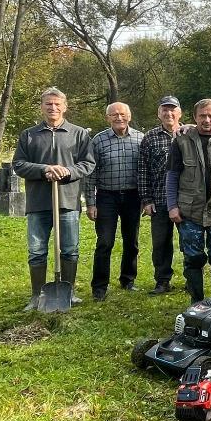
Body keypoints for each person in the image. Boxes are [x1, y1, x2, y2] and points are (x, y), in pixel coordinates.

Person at [12, 87, 96, 310]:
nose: (53, 107)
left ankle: (68, 292)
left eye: (57, 104)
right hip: (38, 202)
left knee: (70, 249)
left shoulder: (78, 134)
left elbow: (88, 164)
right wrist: (44, 169)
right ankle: (36, 295)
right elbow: (18, 164)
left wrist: (67, 172)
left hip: (67, 201)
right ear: (42, 107)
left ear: (65, 107)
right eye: (48, 104)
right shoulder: (29, 135)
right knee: (37, 250)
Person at [166, 99, 211, 303]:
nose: (207, 120)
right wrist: (172, 206)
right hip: (190, 212)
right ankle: (196, 302)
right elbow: (172, 175)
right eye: (202, 116)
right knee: (193, 259)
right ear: (194, 117)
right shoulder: (181, 141)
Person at [83, 102, 144, 301]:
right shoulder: (98, 141)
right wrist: (90, 203)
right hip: (106, 197)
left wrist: (146, 198)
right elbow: (90, 174)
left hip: (133, 196)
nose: (119, 118)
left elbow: (145, 171)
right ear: (107, 118)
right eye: (114, 115)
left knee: (131, 241)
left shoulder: (140, 138)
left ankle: (128, 279)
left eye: (122, 114)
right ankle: (99, 287)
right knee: (105, 242)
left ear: (130, 115)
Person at [137, 96, 182, 296]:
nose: (169, 113)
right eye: (165, 110)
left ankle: (192, 279)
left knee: (190, 241)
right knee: (160, 244)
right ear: (159, 113)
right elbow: (143, 170)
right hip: (159, 200)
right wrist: (146, 200)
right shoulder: (150, 137)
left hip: (185, 200)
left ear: (180, 113)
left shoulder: (189, 133)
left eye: (173, 109)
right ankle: (162, 281)